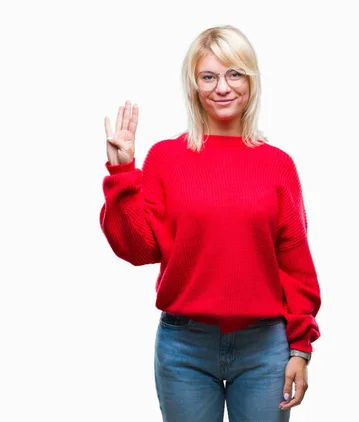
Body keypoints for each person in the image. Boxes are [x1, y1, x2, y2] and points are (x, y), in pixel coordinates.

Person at [99, 25, 321, 422]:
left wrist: (300, 348)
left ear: (251, 81)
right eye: (209, 76)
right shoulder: (166, 158)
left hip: (265, 345)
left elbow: (296, 263)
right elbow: (138, 249)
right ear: (194, 86)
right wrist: (122, 173)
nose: (223, 87)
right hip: (184, 345)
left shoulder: (277, 165)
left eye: (234, 73)